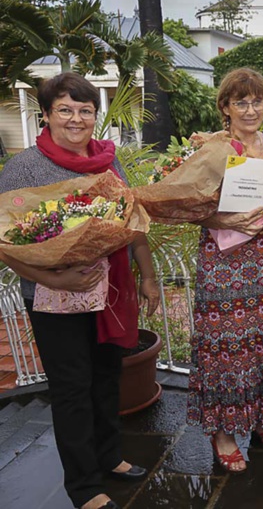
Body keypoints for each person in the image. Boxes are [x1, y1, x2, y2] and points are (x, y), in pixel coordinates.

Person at [0, 72, 160, 509]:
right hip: (53, 298)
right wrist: (54, 278)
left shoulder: (109, 160)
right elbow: (5, 241)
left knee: (107, 377)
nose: (76, 119)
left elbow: (133, 221)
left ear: (95, 115)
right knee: (72, 387)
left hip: (110, 291)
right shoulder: (24, 168)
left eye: (85, 110)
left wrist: (147, 276)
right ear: (47, 115)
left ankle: (109, 457)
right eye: (65, 110)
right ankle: (84, 486)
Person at [187, 68, 263, 473]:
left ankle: (261, 418)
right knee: (226, 345)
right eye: (241, 102)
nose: (251, 109)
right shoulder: (211, 147)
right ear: (225, 107)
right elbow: (189, 206)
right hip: (224, 260)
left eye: (256, 101)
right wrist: (226, 220)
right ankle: (223, 431)